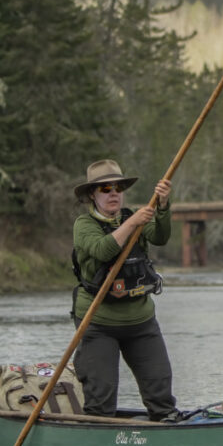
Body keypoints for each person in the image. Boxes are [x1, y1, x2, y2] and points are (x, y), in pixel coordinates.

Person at [71, 159, 180, 422]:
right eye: (105, 188)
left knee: (160, 389)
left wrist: (163, 205)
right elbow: (103, 249)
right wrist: (131, 224)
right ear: (92, 195)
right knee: (101, 397)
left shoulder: (135, 217)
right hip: (98, 322)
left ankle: (166, 424)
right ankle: (98, 437)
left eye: (118, 187)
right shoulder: (83, 225)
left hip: (140, 321)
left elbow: (160, 237)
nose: (113, 193)